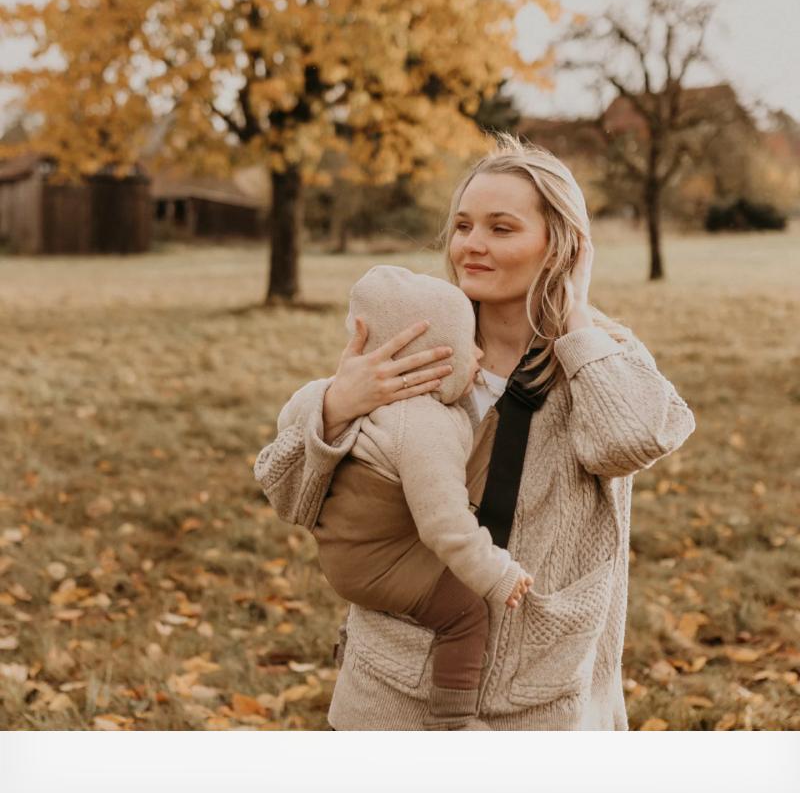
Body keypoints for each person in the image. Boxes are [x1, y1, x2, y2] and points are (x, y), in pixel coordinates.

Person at [254, 133, 696, 730]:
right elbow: (288, 496)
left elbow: (629, 442)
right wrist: (335, 407)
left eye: (501, 228)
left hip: (541, 696)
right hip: (393, 686)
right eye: (463, 226)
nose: (472, 245)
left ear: (560, 245)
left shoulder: (602, 353)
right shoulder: (416, 347)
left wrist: (576, 319)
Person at [303, 264, 533, 730]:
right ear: (431, 359)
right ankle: (452, 722)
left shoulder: (361, 400)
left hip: (348, 551)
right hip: (377, 563)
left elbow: (295, 412)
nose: (479, 354)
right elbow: (444, 523)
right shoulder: (425, 426)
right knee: (466, 613)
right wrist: (496, 574)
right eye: (467, 344)